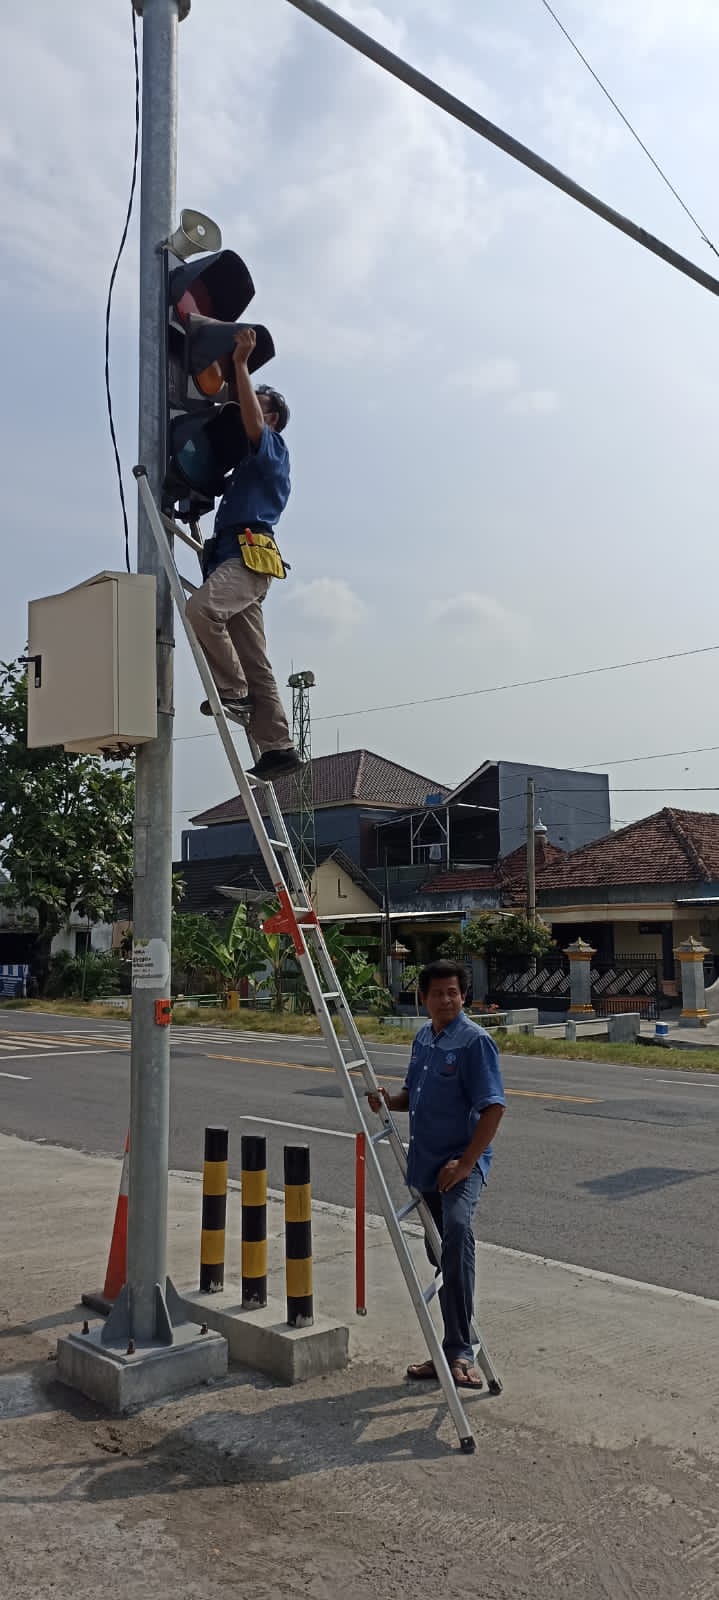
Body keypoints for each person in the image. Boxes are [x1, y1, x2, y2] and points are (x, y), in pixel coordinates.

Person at [368, 958, 505, 1389]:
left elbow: (493, 1108)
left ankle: (460, 1351)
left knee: (457, 1236)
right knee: (441, 1255)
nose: (446, 1000)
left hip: (460, 1165)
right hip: (425, 1164)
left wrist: (465, 1163)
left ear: (463, 996)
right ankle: (449, 1347)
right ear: (423, 998)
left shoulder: (475, 1042)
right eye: (437, 993)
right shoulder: (424, 1037)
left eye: (453, 993)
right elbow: (414, 1095)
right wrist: (389, 1101)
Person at [186, 328, 301, 784]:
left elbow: (251, 422)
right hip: (238, 558)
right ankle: (279, 747)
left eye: (256, 402)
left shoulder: (272, 447)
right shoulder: (245, 465)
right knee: (255, 660)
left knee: (201, 610)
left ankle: (232, 691)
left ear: (271, 417)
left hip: (248, 557)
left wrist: (239, 364)